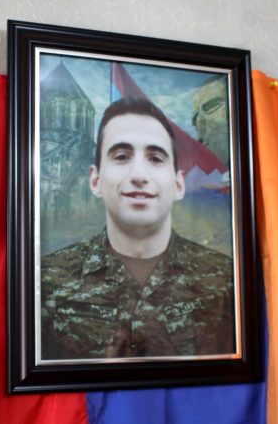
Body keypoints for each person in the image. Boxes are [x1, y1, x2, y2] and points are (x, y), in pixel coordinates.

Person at [40, 97, 234, 360]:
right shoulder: (46, 281)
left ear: (178, 185)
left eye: (156, 158)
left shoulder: (225, 279)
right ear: (95, 181)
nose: (139, 175)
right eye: (121, 157)